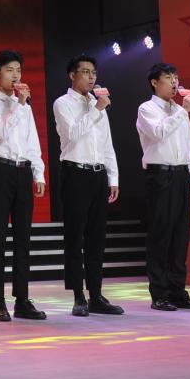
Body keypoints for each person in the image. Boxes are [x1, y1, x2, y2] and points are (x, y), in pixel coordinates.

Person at [52, 55, 124, 317]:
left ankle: (96, 295)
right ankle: (78, 296)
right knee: (75, 237)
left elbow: (107, 144)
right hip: (75, 173)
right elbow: (72, 135)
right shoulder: (63, 103)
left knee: (97, 238)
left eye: (93, 72)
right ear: (72, 75)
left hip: (98, 174)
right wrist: (97, 110)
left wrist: (113, 177)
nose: (91, 77)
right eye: (85, 72)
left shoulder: (97, 103)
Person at [0, 49, 47, 322]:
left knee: (23, 238)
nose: (16, 75)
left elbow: (32, 141)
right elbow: (0, 132)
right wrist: (19, 104)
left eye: (18, 70)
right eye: (10, 70)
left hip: (23, 171)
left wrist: (39, 173)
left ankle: (22, 299)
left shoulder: (24, 106)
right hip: (0, 170)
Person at [135, 63, 190, 311]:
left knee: (180, 236)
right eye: (168, 77)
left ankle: (177, 291)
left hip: (181, 174)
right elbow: (159, 133)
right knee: (161, 234)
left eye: (176, 77)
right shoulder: (147, 108)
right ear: (155, 82)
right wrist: (183, 112)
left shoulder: (179, 110)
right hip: (160, 175)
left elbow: (189, 144)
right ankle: (160, 293)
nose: (174, 82)